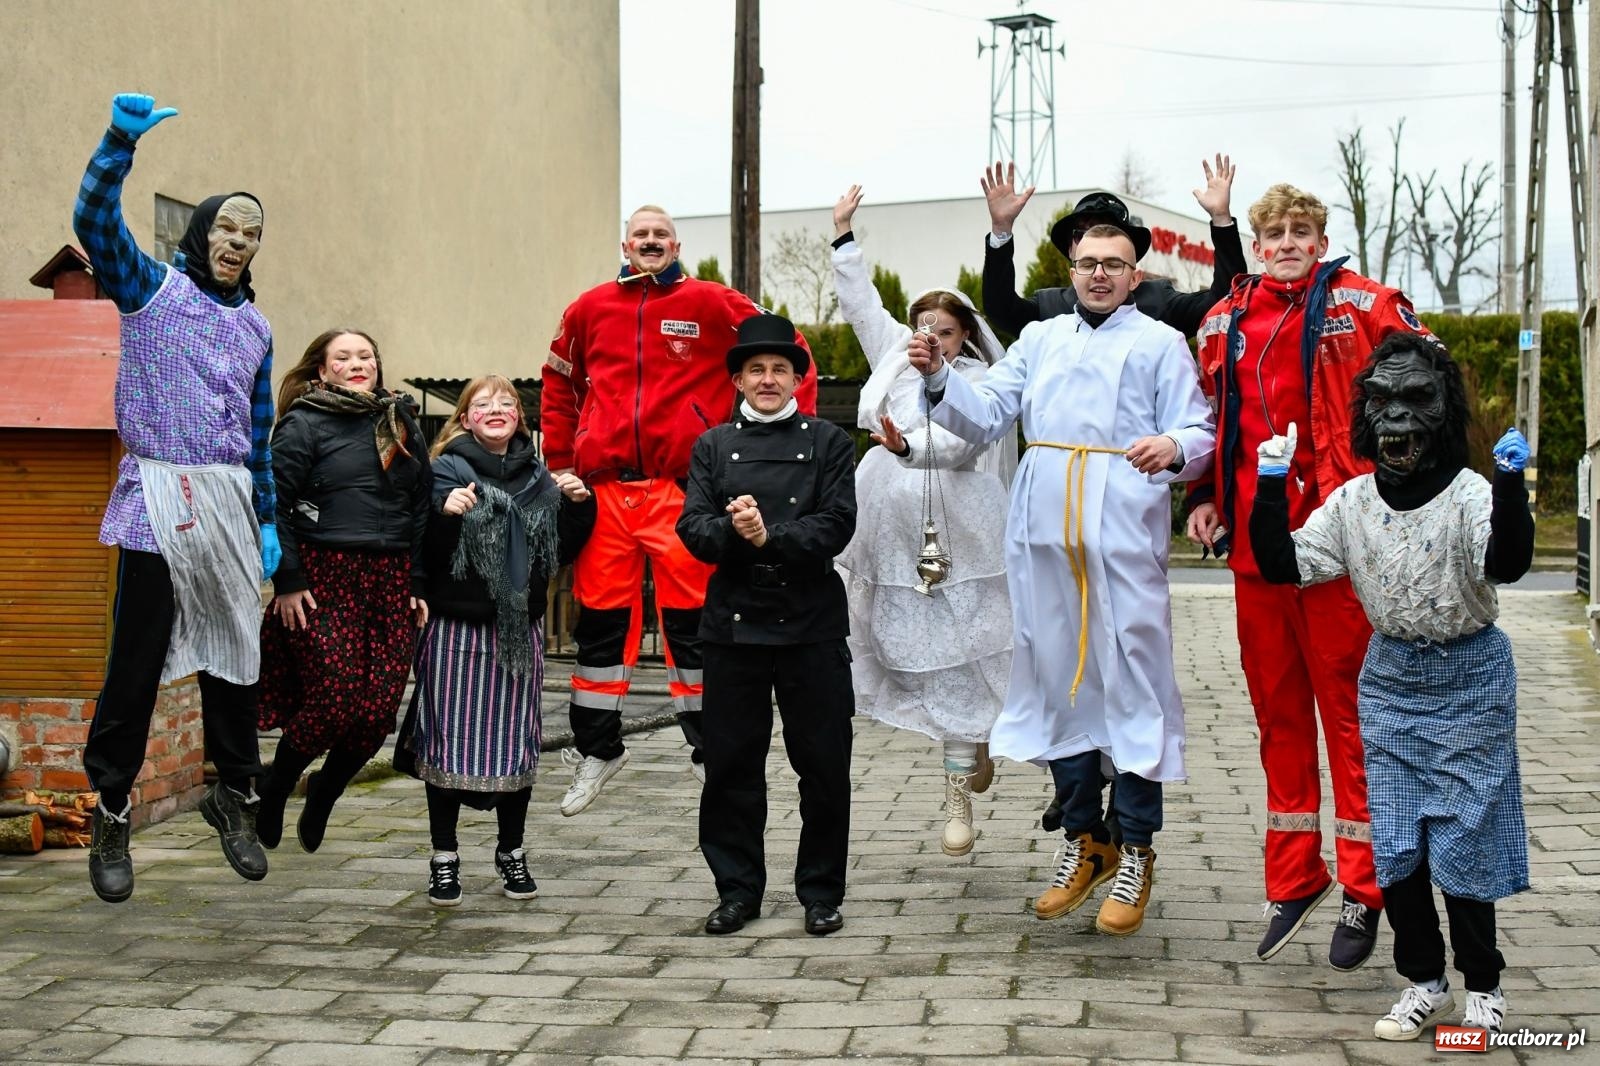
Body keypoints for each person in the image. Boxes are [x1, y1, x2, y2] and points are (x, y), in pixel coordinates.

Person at [909, 223, 1215, 938]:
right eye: (1088, 264)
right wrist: (936, 377)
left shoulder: (1160, 344)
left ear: (1136, 276)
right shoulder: (1040, 339)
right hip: (1043, 536)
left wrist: (1174, 446)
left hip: (1120, 533)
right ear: (1071, 271)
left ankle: (1136, 846)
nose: (1100, 275)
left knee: (1134, 682)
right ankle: (1085, 839)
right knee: (1058, 682)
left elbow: (1198, 431)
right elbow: (984, 416)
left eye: (1114, 264)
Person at [1248, 337, 1533, 1039]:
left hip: (1468, 677)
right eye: (1383, 402)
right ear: (1364, 415)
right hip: (1392, 681)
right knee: (1398, 844)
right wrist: (1270, 484)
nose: (1398, 420)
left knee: (1465, 843)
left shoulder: (1468, 495)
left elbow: (1508, 563)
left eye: (1417, 401)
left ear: (1445, 411)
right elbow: (1285, 564)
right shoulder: (1350, 503)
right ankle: (1423, 982)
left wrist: (1509, 490)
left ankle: (1484, 987)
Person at [1187, 183, 1439, 971]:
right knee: (1277, 716)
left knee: (1352, 720)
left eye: (1302, 230)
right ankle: (1294, 877)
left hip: (1340, 547)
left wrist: (1408, 493)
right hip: (1256, 552)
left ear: (1321, 238)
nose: (1288, 241)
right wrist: (1201, 495)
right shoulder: (1224, 319)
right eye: (1275, 232)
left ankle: (1368, 889)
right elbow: (1208, 419)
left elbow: (1430, 387)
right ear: (1257, 242)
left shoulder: (1366, 305)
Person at [540, 204, 816, 816]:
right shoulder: (588, 308)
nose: (650, 242)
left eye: (660, 235)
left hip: (682, 489)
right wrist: (560, 464)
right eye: (641, 235)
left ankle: (708, 750)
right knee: (601, 627)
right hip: (606, 492)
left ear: (676, 244)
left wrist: (781, 441)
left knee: (694, 626)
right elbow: (558, 381)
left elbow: (791, 349)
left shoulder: (713, 302)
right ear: (625, 244)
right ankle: (598, 749)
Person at [74, 92, 277, 903]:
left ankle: (234, 790)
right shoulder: (152, 291)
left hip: (228, 500)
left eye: (252, 234)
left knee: (237, 659)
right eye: (227, 228)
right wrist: (118, 144)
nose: (238, 243)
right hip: (159, 493)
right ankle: (113, 805)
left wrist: (265, 521)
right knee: (137, 660)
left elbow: (257, 433)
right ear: (202, 234)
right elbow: (95, 224)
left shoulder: (258, 329)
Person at [828, 185, 1014, 857]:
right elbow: (861, 304)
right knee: (909, 646)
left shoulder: (981, 385)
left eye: (946, 330)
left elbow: (965, 445)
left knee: (965, 646)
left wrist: (911, 449)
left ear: (964, 337)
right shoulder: (890, 361)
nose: (930, 339)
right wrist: (845, 236)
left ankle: (963, 775)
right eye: (923, 328)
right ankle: (961, 765)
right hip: (887, 526)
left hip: (962, 527)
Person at [676, 313, 857, 938]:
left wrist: (769, 536)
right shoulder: (711, 447)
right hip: (733, 630)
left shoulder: (831, 442)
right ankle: (736, 890)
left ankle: (820, 892)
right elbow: (692, 528)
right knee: (730, 767)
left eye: (780, 369)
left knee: (824, 766)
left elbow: (837, 523)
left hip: (811, 627)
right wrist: (735, 531)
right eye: (756, 369)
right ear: (738, 380)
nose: (769, 379)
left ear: (797, 379)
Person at [400, 375, 596, 906]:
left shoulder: (540, 481)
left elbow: (560, 553)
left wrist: (579, 503)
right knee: (446, 740)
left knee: (515, 741)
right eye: (482, 404)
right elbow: (426, 551)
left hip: (517, 633)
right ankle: (445, 858)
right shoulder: (443, 472)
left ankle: (512, 852)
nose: (495, 409)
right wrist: (447, 516)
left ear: (518, 420)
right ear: (464, 419)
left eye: (506, 403)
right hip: (454, 629)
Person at [252, 329, 432, 854]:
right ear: (322, 370)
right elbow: (274, 504)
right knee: (334, 699)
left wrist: (417, 581)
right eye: (344, 357)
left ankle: (326, 791)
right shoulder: (303, 423)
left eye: (366, 356)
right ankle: (277, 786)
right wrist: (286, 581)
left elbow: (420, 507)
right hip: (323, 575)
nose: (358, 364)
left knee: (377, 713)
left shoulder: (400, 424)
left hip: (392, 578)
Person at [979, 156, 1247, 340]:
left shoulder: (1158, 303)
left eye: (1110, 235)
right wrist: (1001, 230)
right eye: (1083, 235)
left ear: (1132, 264)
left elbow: (1224, 300)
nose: (1099, 271)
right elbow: (1001, 309)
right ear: (1072, 254)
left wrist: (1221, 221)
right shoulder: (1049, 309)